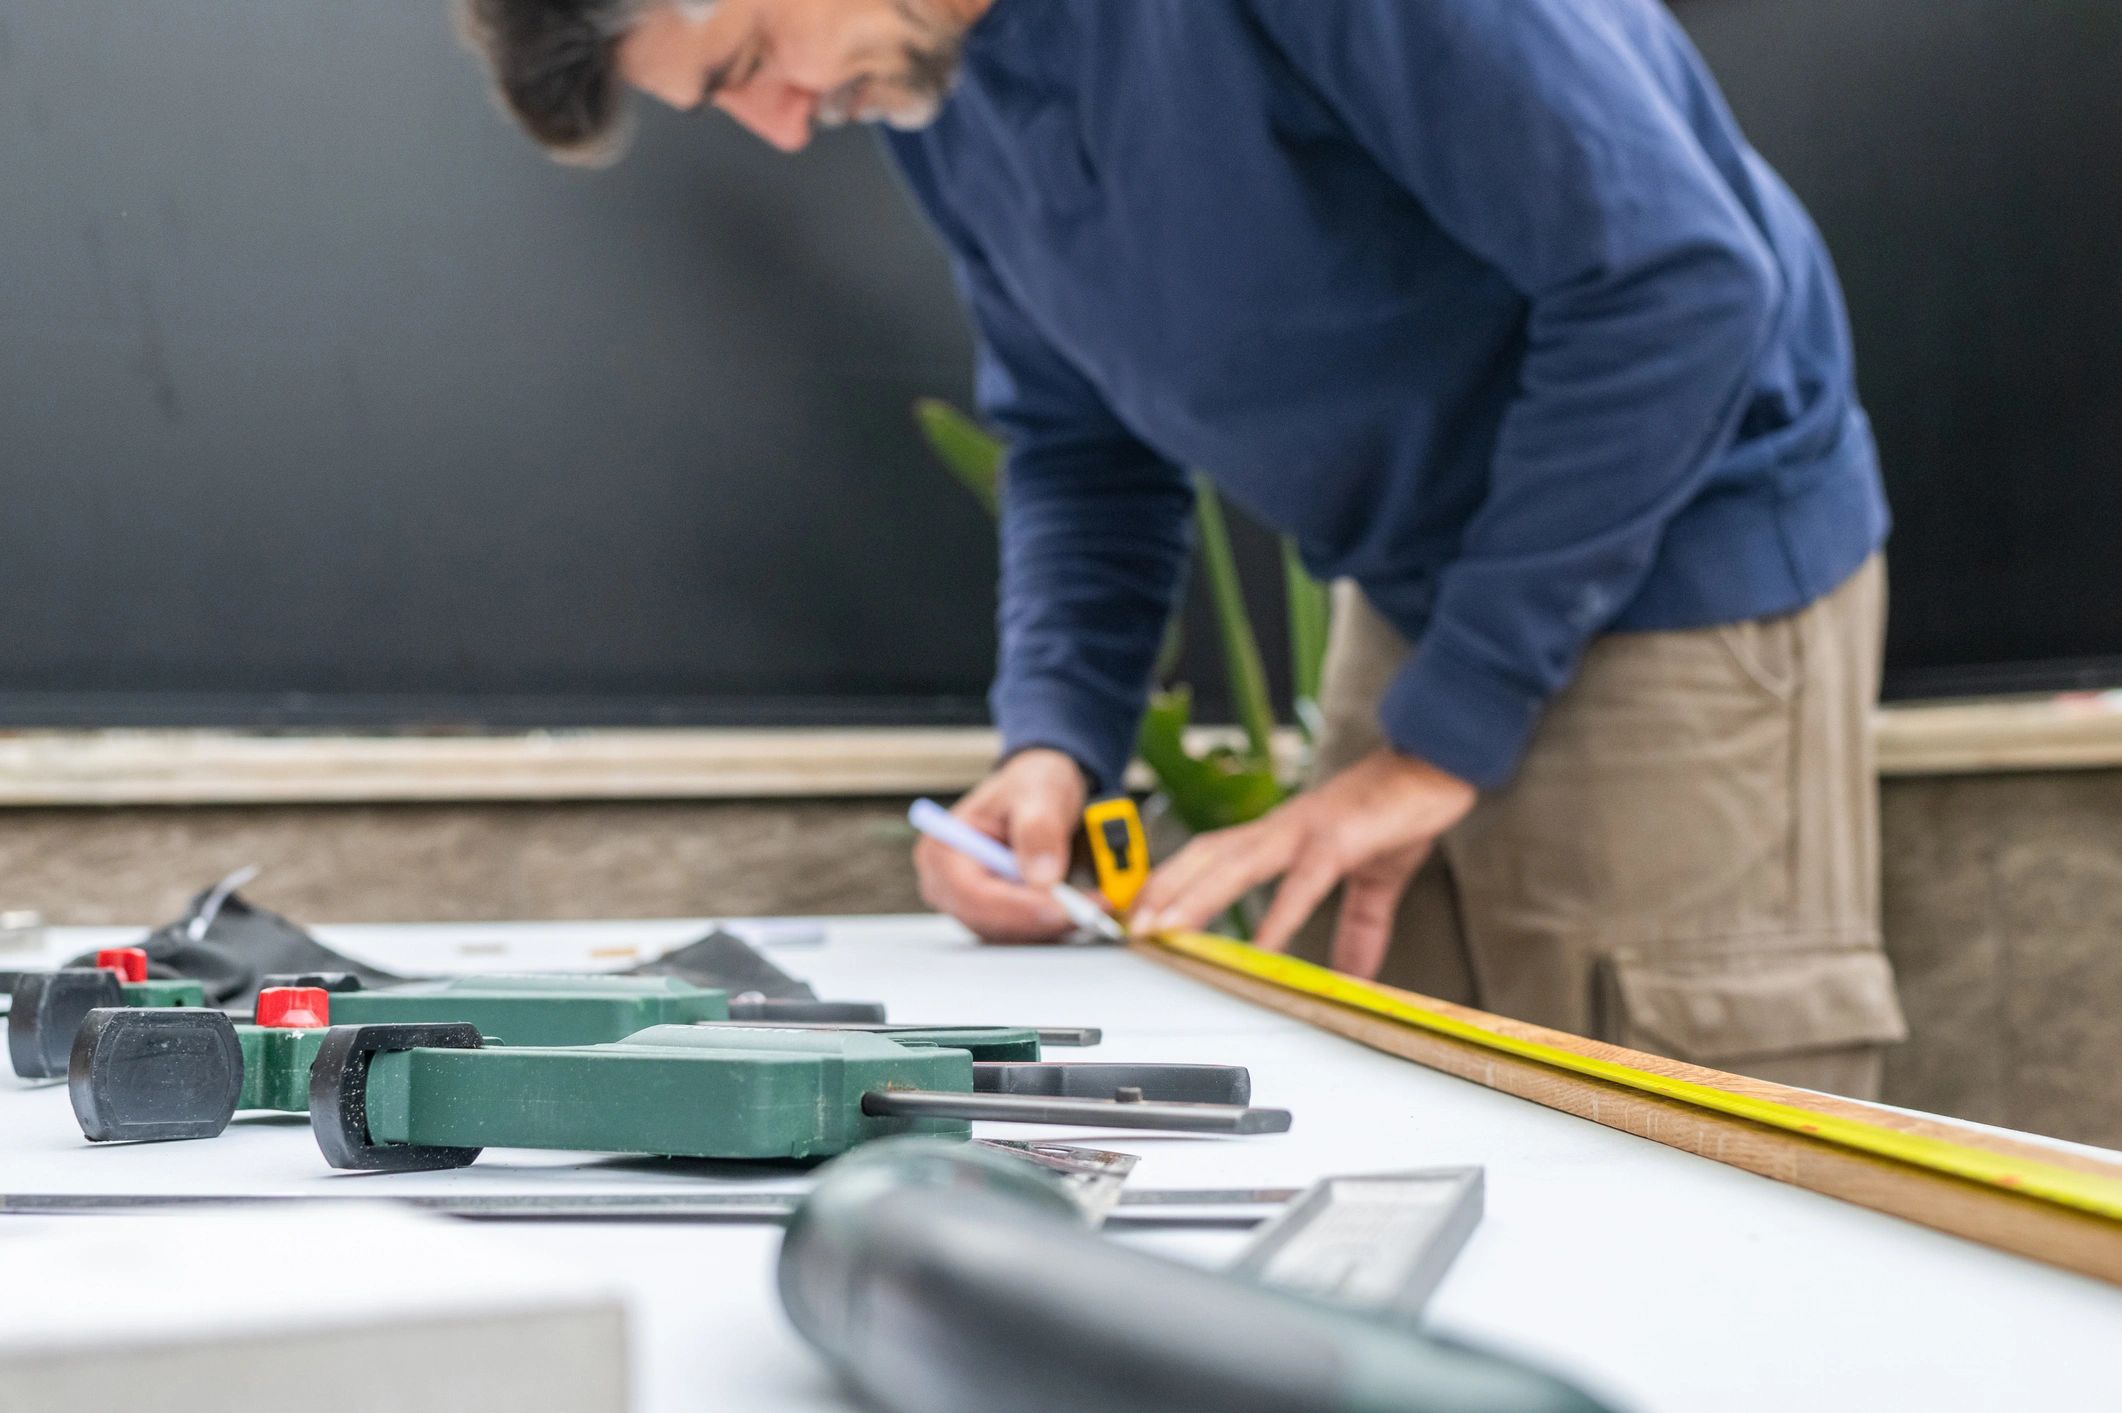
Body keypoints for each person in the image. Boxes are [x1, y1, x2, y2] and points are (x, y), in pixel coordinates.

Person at [458, 0, 1907, 1094]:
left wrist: (1436, 742)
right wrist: (1054, 744)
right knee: (1415, 1120)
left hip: (1684, 581)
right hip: (1423, 600)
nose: (779, 123)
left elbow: (1677, 280)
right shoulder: (929, 86)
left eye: (743, 62)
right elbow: (1080, 436)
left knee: (1681, 1166)